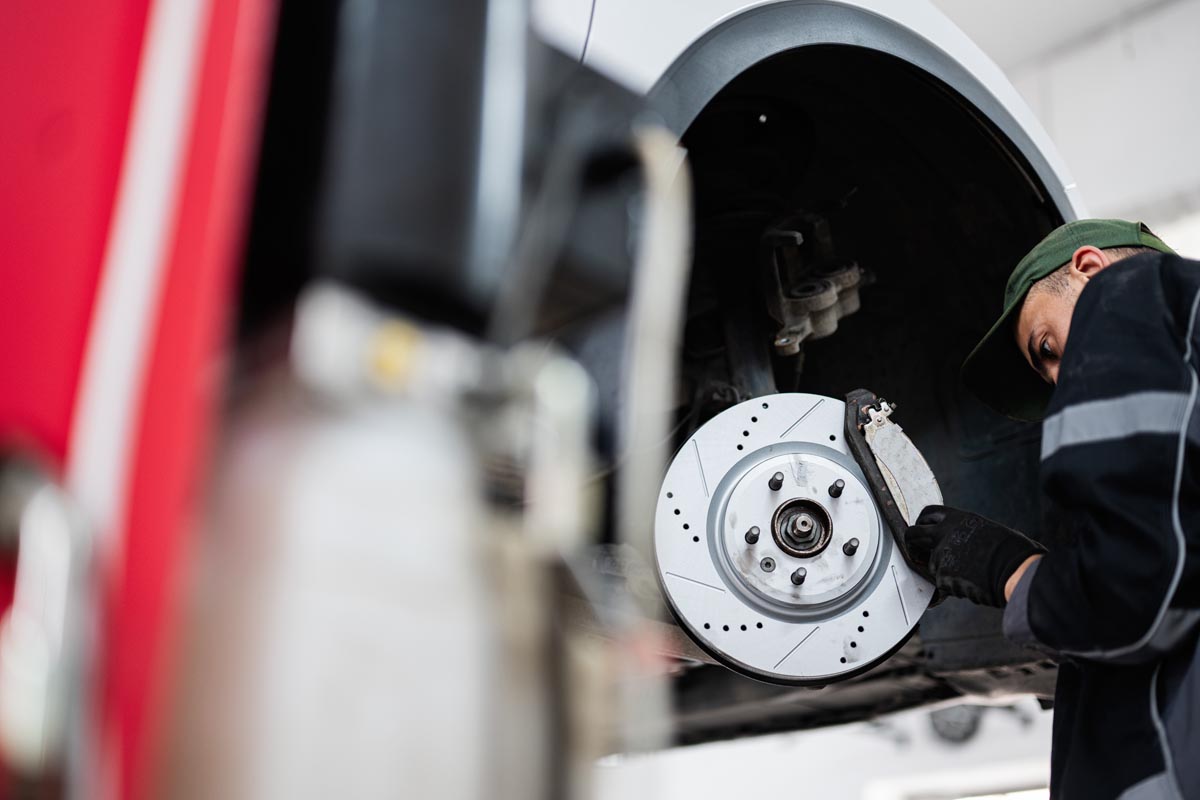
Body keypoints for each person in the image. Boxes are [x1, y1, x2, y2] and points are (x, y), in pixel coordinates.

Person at [905, 219, 1199, 800]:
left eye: (1046, 348)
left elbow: (1136, 597)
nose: (1061, 383)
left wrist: (1007, 569)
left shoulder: (1135, 290)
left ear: (1088, 267)